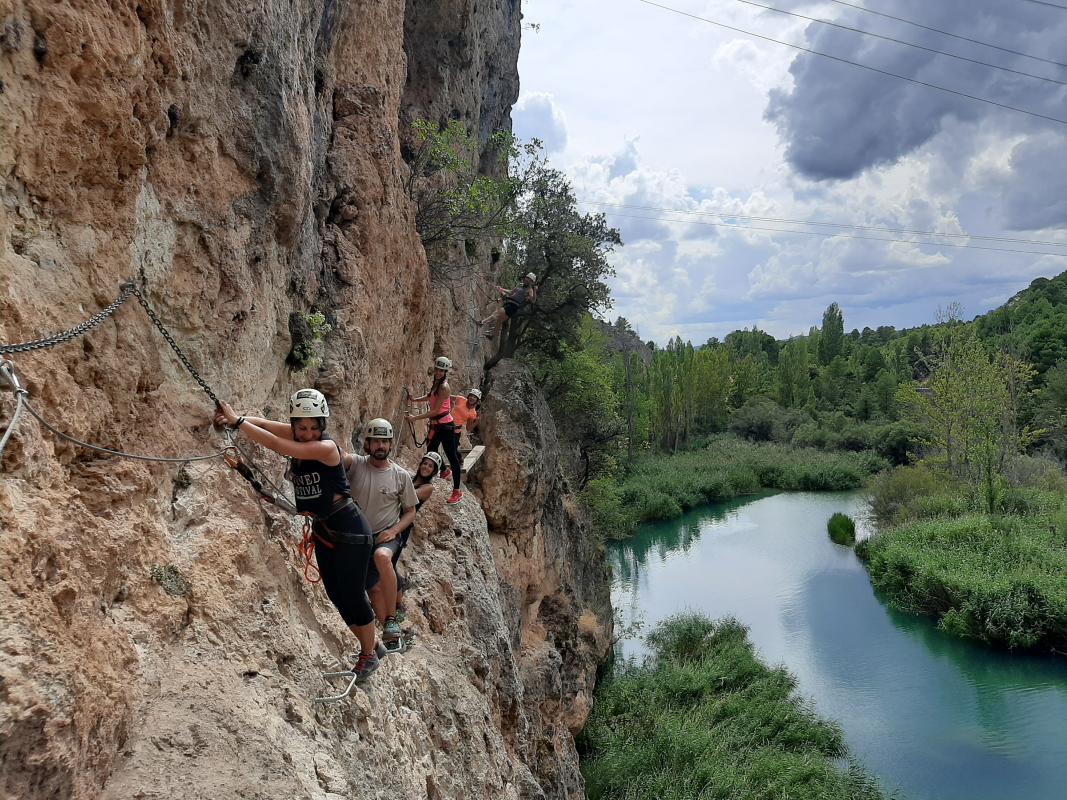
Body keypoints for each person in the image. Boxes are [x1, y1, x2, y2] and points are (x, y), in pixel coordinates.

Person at [214, 389, 379, 681]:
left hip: (349, 528)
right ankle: (372, 644)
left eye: (314, 427)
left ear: (322, 425)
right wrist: (234, 418)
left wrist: (238, 421)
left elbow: (277, 444)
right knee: (336, 595)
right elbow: (266, 425)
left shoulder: (326, 448)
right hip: (324, 528)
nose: (307, 433)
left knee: (353, 594)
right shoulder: (299, 436)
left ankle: (368, 655)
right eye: (301, 428)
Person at [342, 418, 417, 651]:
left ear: (391, 444)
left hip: (386, 535)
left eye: (384, 441)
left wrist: (394, 531)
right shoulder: (356, 464)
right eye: (375, 441)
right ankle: (389, 634)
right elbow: (334, 454)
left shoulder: (400, 475)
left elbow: (410, 512)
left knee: (382, 557)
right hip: (359, 539)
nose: (380, 446)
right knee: (372, 587)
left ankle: (392, 619)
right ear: (367, 443)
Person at [406, 356, 463, 504]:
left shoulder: (444, 387)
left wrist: (415, 418)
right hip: (438, 425)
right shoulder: (436, 383)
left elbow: (435, 411)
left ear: (445, 372)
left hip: (446, 426)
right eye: (437, 369)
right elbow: (430, 396)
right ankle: (444, 470)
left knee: (452, 457)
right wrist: (415, 400)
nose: (438, 372)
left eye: (441, 370)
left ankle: (457, 491)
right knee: (431, 449)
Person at [394, 451, 441, 621]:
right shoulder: (412, 480)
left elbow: (409, 496)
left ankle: (398, 604)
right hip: (392, 521)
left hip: (403, 525)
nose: (426, 467)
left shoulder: (428, 488)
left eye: (430, 466)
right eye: (425, 463)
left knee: (390, 564)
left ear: (434, 471)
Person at [481, 272, 537, 340]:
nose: (527, 279)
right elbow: (511, 292)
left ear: (531, 282)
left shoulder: (530, 290)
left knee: (496, 313)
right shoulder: (520, 285)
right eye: (527, 278)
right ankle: (492, 336)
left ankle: (481, 322)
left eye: (529, 279)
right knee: (499, 321)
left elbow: (533, 301)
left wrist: (535, 291)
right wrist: (501, 289)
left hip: (513, 306)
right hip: (509, 304)